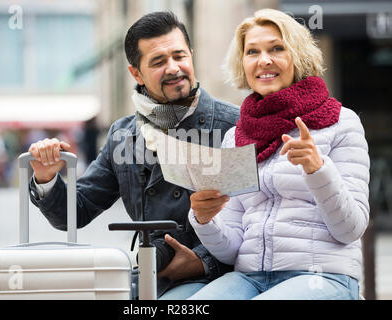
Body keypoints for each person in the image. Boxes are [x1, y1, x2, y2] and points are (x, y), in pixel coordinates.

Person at [27, 11, 239, 299]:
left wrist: (204, 262)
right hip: (147, 279)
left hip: (220, 281)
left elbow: (257, 218)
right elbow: (75, 212)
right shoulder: (122, 135)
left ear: (192, 54)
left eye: (179, 56)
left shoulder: (233, 124)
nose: (174, 68)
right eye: (158, 62)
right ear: (136, 73)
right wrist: (46, 177)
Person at [187, 8, 369, 300]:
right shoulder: (237, 136)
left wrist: (318, 170)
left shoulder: (340, 122)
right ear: (242, 63)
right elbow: (232, 247)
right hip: (250, 276)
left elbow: (351, 228)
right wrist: (205, 220)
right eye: (252, 52)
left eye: (276, 48)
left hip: (322, 275)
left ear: (297, 56)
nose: (264, 60)